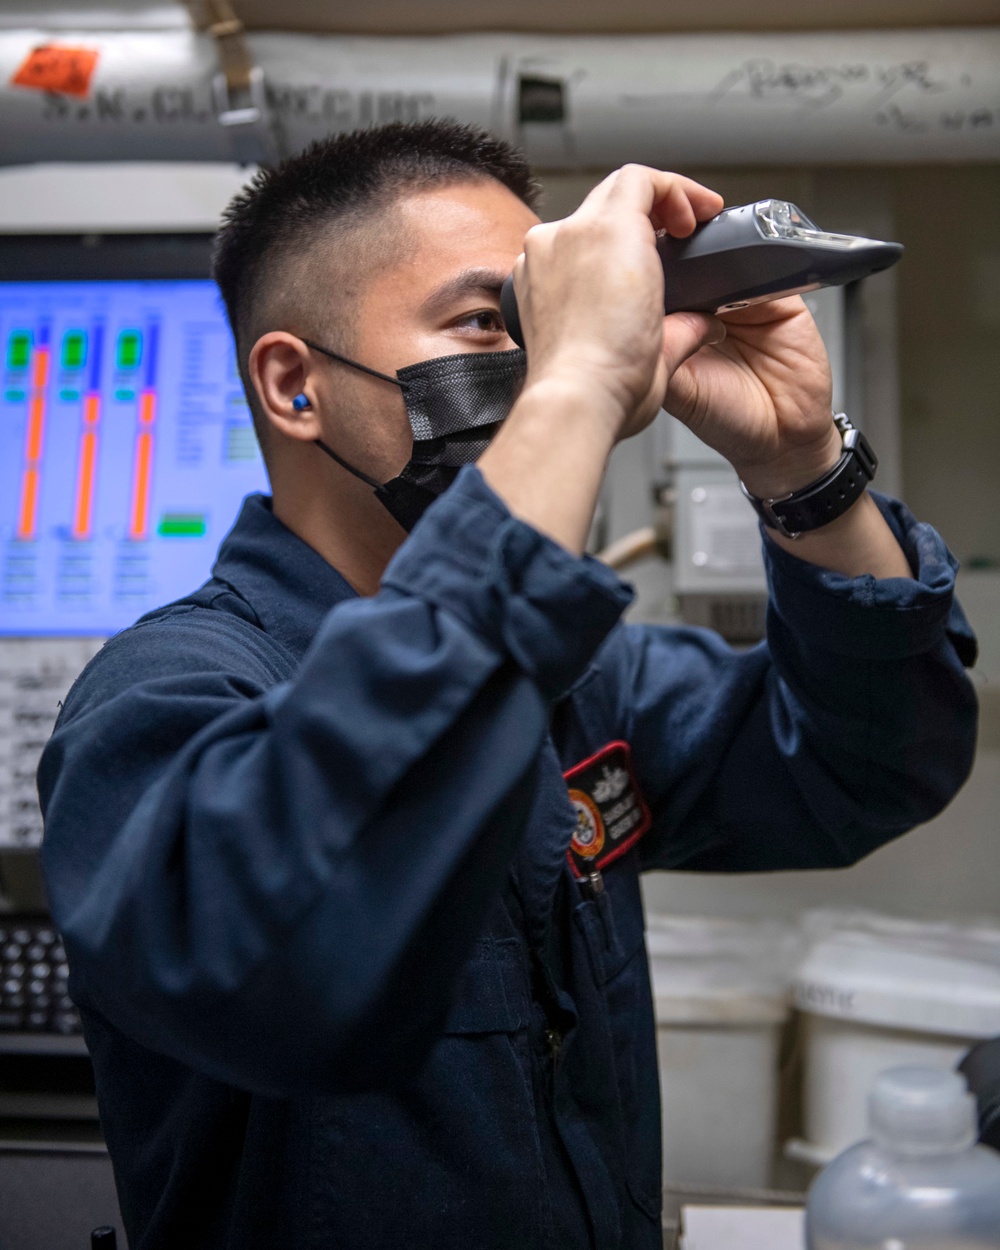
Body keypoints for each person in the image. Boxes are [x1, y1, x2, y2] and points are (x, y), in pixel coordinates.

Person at [38, 121, 978, 1250]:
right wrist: (580, 372)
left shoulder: (583, 676)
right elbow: (301, 958)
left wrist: (801, 469)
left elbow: (868, 763)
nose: (536, 363)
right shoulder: (168, 698)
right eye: (491, 322)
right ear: (295, 386)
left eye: (547, 323)